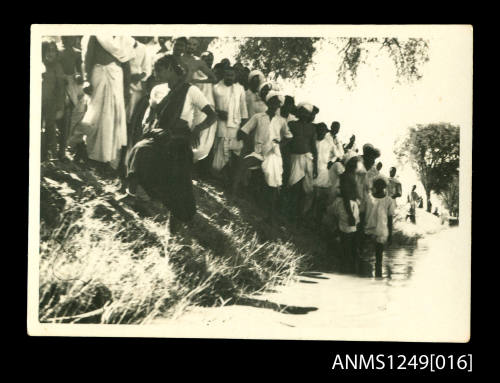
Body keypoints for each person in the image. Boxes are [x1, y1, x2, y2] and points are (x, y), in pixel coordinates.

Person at [125, 55, 217, 232]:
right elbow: (152, 116)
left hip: (179, 139)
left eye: (159, 69)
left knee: (177, 181)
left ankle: (174, 226)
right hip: (159, 134)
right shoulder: (158, 90)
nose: (156, 73)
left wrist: (197, 129)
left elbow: (212, 115)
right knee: (139, 150)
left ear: (170, 68)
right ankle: (132, 196)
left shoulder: (190, 91)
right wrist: (147, 129)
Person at [69, 35, 135, 169]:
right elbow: (88, 58)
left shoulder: (124, 38)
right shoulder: (97, 35)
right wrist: (87, 80)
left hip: (117, 78)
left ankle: (106, 158)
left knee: (112, 118)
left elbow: (126, 65)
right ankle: (83, 149)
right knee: (95, 116)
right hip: (100, 74)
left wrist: (127, 89)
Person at [233, 92, 290, 219]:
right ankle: (233, 195)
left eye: (277, 103)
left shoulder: (281, 121)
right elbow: (243, 131)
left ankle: (270, 213)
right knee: (243, 164)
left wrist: (280, 144)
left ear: (279, 105)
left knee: (272, 182)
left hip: (273, 154)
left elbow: (289, 136)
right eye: (272, 102)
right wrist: (249, 145)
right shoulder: (258, 116)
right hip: (258, 152)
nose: (275, 105)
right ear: (268, 103)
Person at [211, 66, 248, 182]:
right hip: (220, 124)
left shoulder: (240, 89)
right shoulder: (216, 88)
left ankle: (228, 179)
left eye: (231, 75)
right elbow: (211, 105)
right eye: (227, 75)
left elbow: (243, 109)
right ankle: (217, 175)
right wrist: (217, 112)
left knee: (234, 151)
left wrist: (243, 127)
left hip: (235, 125)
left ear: (235, 76)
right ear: (223, 75)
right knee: (220, 148)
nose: (229, 78)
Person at [287, 102, 318, 222]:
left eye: (307, 113)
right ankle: (289, 212)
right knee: (293, 184)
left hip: (308, 159)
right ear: (299, 113)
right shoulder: (292, 124)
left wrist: (315, 166)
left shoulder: (312, 128)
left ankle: (299, 215)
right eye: (302, 112)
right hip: (295, 157)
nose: (304, 115)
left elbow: (314, 147)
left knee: (305, 189)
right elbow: (288, 142)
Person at [325, 172, 360, 273]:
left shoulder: (339, 201)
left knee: (345, 248)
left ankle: (345, 266)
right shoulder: (353, 203)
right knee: (350, 248)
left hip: (342, 228)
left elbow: (331, 212)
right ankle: (350, 267)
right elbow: (356, 220)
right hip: (351, 228)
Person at [362, 177, 394, 278]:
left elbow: (362, 214)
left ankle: (368, 275)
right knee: (378, 257)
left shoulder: (368, 198)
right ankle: (378, 276)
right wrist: (390, 234)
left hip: (369, 229)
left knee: (367, 256)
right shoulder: (388, 200)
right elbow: (390, 219)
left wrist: (361, 229)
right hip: (381, 230)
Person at [192, 51, 218, 165]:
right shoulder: (195, 74)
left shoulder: (213, 76)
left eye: (211, 59)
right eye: (206, 58)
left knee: (204, 145)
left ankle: (194, 166)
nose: (209, 61)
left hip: (210, 112)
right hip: (198, 110)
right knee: (194, 140)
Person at [41, 40, 65, 161]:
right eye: (48, 50)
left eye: (53, 50)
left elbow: (61, 88)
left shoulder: (57, 67)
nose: (51, 53)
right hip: (38, 102)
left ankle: (53, 156)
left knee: (50, 128)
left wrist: (60, 107)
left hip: (50, 102)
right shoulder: (38, 64)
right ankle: (40, 155)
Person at [312, 122, 335, 222]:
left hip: (323, 170)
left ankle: (314, 217)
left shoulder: (329, 143)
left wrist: (331, 161)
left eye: (323, 131)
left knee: (319, 195)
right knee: (310, 193)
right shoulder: (313, 141)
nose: (322, 133)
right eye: (320, 131)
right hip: (312, 168)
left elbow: (338, 154)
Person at [126, 37, 151, 123]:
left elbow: (147, 69)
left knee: (131, 114)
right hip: (120, 80)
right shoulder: (120, 44)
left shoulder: (142, 48)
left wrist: (139, 77)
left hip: (135, 84)